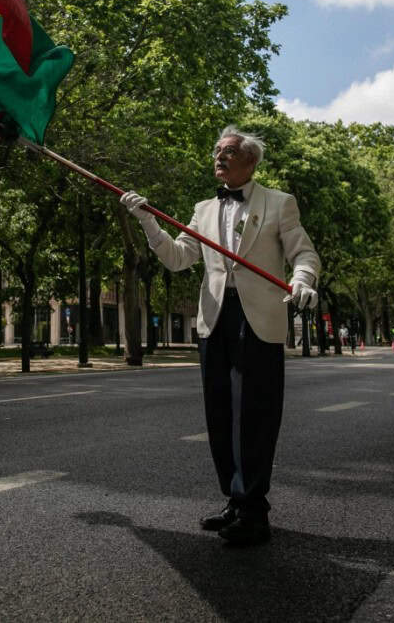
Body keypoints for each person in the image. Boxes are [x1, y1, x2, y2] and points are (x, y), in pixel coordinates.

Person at [120, 126, 319, 547]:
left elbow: (303, 252)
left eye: (228, 152)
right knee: (220, 414)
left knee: (255, 414)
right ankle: (234, 497)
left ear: (250, 161)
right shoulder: (203, 209)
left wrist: (303, 279)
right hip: (214, 319)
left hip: (260, 318)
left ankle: (254, 510)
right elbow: (177, 259)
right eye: (217, 151)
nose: (219, 157)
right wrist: (149, 222)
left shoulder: (280, 203)